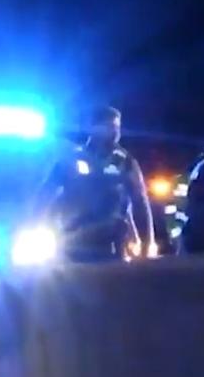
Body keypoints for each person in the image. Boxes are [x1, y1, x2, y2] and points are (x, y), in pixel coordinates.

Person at [39, 105, 152, 262]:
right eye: (110, 126)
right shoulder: (74, 159)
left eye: (117, 127)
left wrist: (147, 241)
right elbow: (46, 193)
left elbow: (140, 200)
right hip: (75, 238)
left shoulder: (123, 160)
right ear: (93, 128)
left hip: (113, 241)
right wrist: (39, 224)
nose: (115, 132)